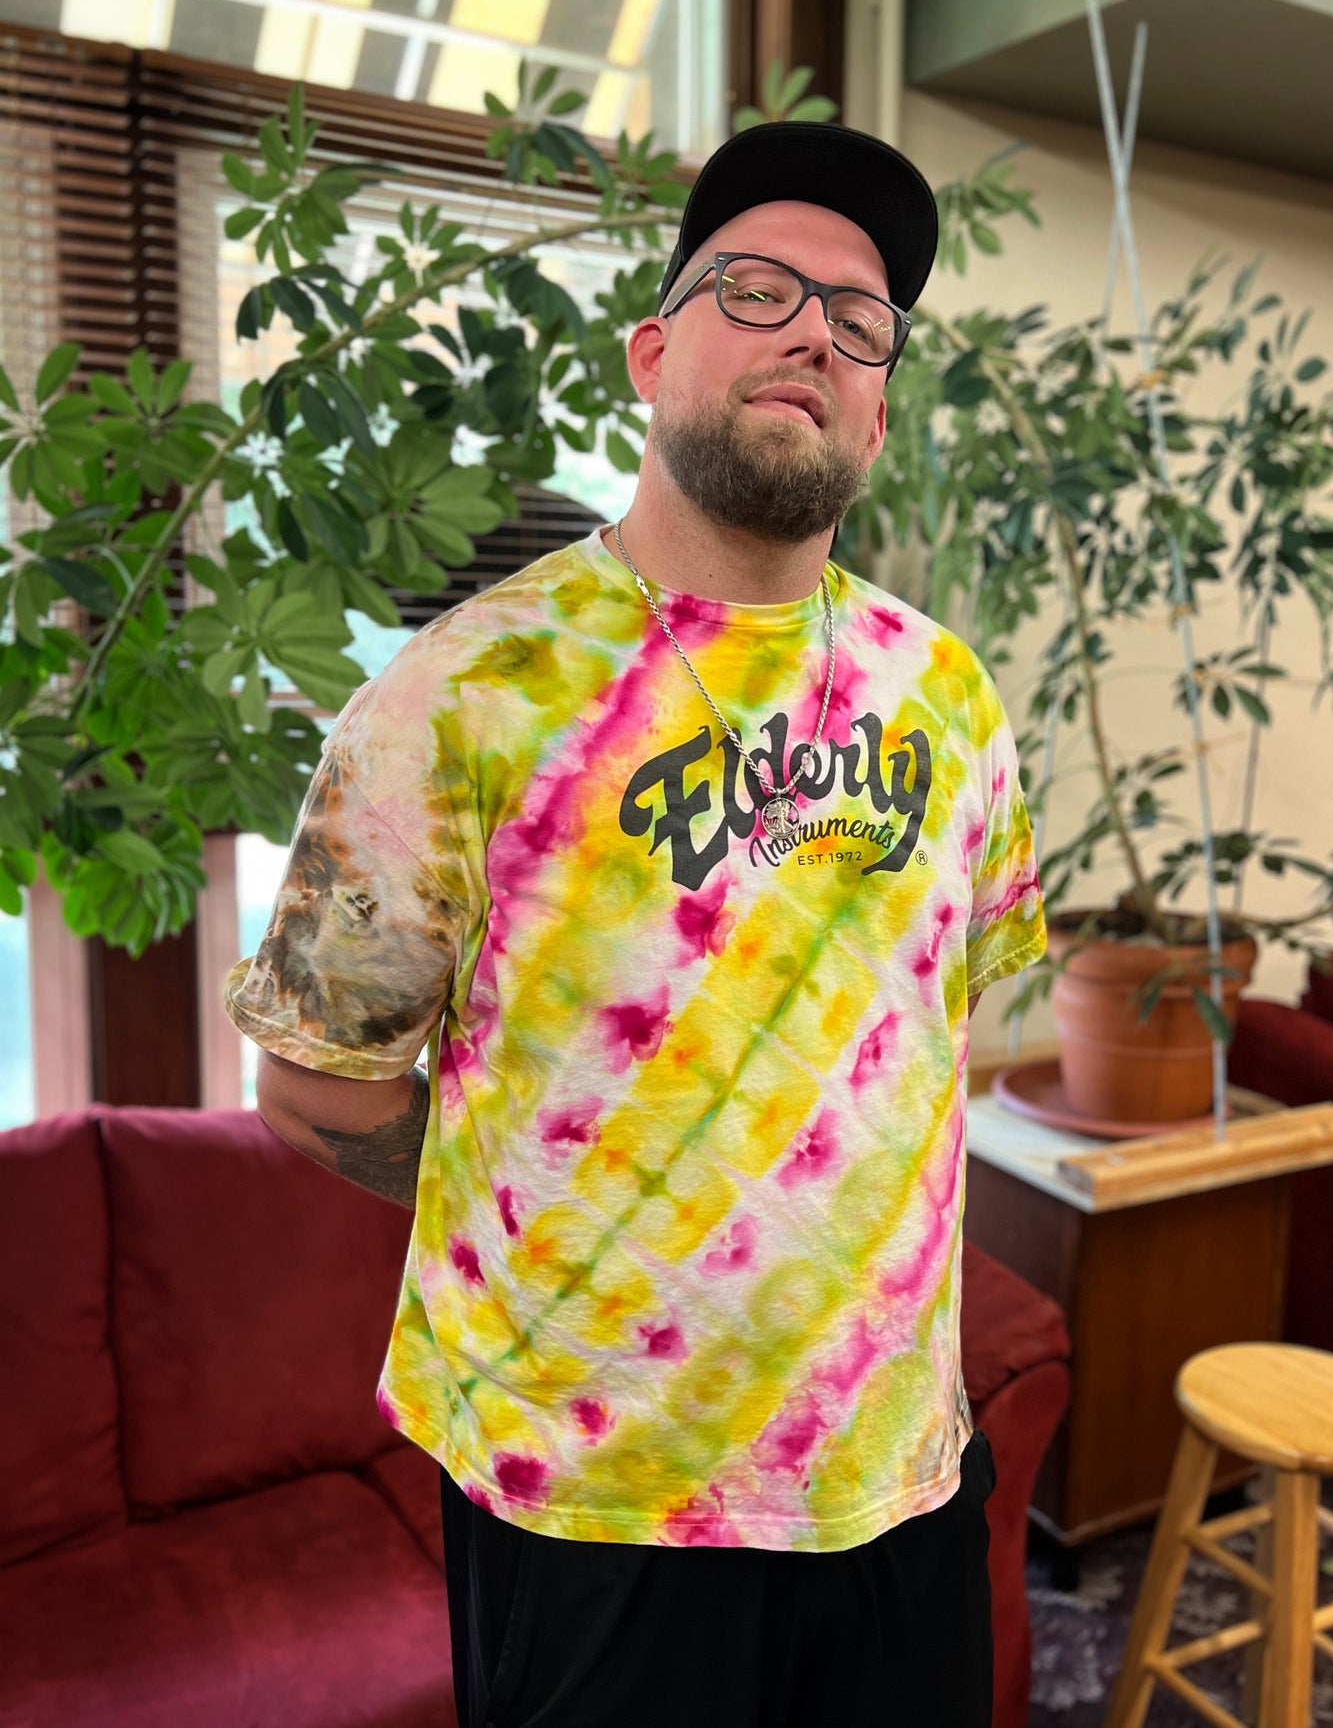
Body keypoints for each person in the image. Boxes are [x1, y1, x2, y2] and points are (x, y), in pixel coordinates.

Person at [225, 120, 1047, 1728]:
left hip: (894, 1475)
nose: (813, 331)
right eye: (757, 289)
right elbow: (316, 1086)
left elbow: (942, 1037)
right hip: (591, 1503)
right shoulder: (464, 691)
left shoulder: (947, 696)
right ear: (651, 354)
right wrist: (555, 1213)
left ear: (878, 407)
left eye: (859, 319)